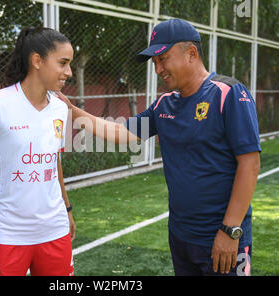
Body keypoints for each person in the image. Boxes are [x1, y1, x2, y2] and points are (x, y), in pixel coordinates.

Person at [56, 18, 261, 276]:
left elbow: (250, 163)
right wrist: (72, 111)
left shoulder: (228, 93)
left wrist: (231, 230)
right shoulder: (164, 104)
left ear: (191, 53)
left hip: (223, 235)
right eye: (154, 62)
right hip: (180, 235)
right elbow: (121, 132)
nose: (158, 69)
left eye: (163, 59)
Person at [0, 27, 76, 276]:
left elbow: (53, 162)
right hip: (5, 234)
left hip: (54, 230)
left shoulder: (59, 109)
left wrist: (66, 210)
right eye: (63, 63)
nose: (69, 72)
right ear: (37, 61)